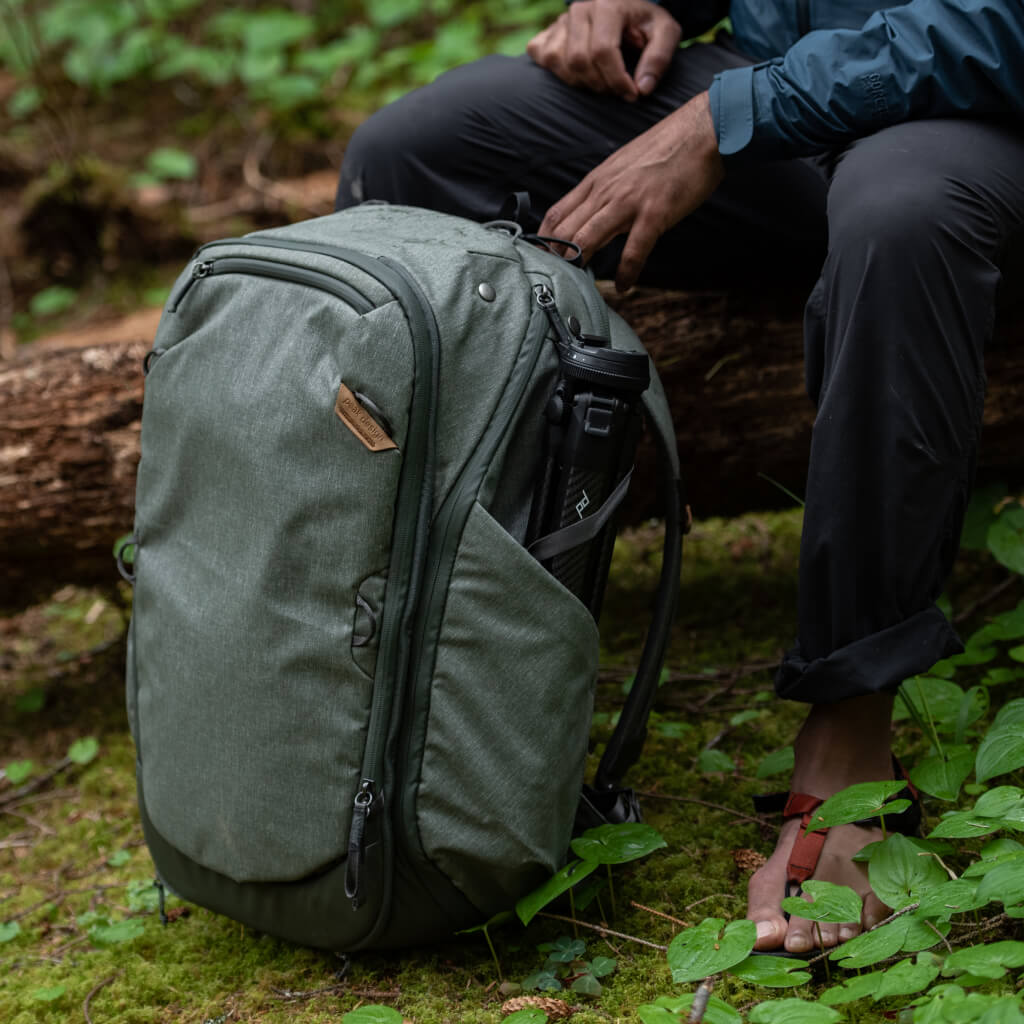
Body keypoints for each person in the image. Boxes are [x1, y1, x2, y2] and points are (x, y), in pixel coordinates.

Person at [336, 0, 1024, 954]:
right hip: (777, 83)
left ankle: (850, 731)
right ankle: (414, 659)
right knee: (417, 151)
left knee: (899, 217)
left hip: (971, 107)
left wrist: (727, 117)